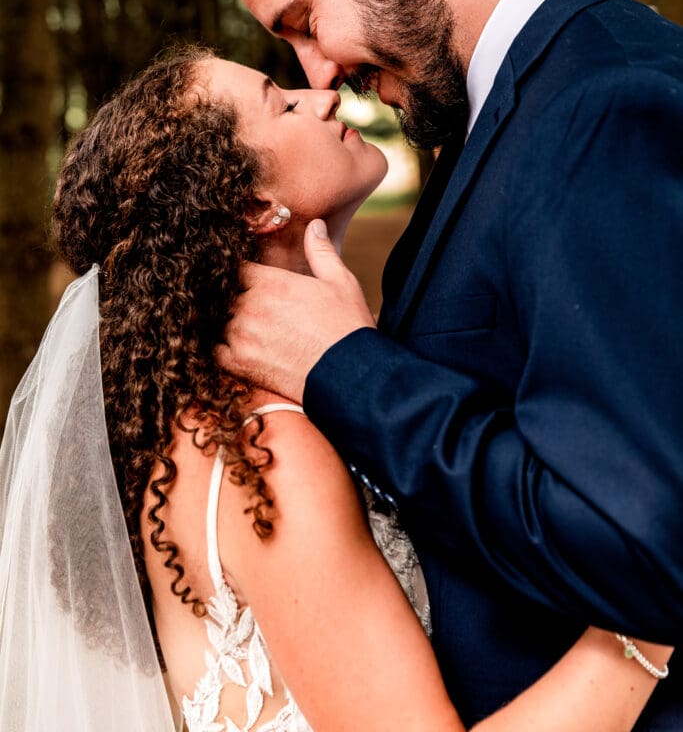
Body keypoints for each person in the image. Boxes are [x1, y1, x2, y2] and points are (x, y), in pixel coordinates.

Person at [0, 46, 673, 732]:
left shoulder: (198, 429)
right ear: (256, 203)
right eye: (283, 103)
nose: (320, 95)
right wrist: (642, 620)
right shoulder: (266, 454)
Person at [206, 0, 683, 729]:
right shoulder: (512, 112)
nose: (316, 74)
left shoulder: (604, 107)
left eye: (304, 19)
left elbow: (643, 544)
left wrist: (349, 368)